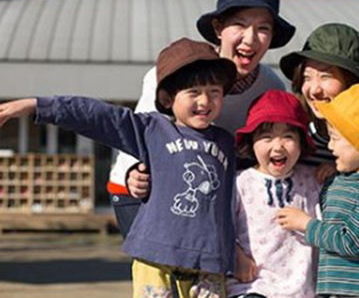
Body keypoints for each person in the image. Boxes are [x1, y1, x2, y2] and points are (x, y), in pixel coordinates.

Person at [0, 38, 239, 298]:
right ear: (168, 98)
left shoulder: (226, 142)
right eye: (193, 92)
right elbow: (96, 115)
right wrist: (36, 106)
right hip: (156, 258)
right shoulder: (152, 130)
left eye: (214, 92)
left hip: (209, 264)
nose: (205, 101)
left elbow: (234, 202)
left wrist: (232, 254)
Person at [108, 0, 295, 239]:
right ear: (219, 28)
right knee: (163, 278)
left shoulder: (271, 87)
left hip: (212, 195)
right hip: (145, 191)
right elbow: (136, 134)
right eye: (239, 25)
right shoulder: (176, 71)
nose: (251, 39)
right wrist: (132, 172)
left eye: (263, 28)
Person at [279, 23, 359, 277]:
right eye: (307, 77)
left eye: (326, 76)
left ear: (352, 82)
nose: (314, 89)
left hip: (349, 275)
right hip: (291, 269)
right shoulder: (293, 133)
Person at [276, 84, 359, 298]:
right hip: (338, 290)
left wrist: (305, 224)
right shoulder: (338, 181)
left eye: (336, 138)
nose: (330, 146)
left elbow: (349, 241)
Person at [228, 90, 319, 298]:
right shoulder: (240, 183)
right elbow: (219, 227)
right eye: (266, 137)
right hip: (251, 286)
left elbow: (330, 229)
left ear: (301, 142)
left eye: (288, 137)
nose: (277, 146)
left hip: (300, 290)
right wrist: (235, 253)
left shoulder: (312, 181)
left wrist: (306, 223)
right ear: (251, 142)